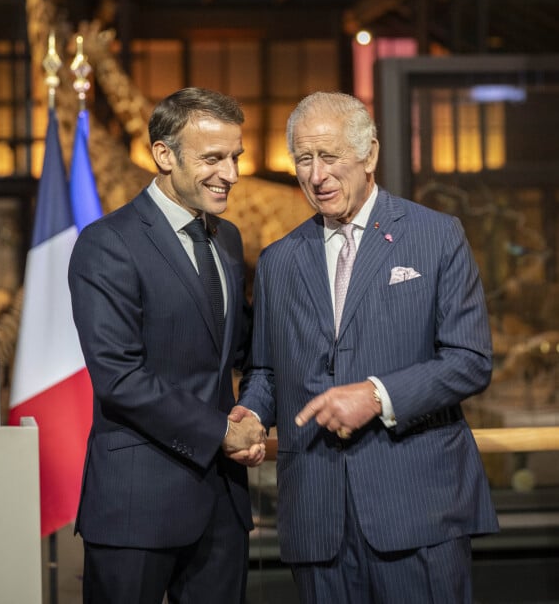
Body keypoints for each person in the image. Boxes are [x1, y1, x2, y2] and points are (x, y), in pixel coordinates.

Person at [236, 91, 499, 604]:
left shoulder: (436, 236)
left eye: (329, 156)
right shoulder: (277, 261)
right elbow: (266, 370)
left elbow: (470, 361)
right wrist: (250, 410)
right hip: (316, 517)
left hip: (418, 510)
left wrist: (377, 396)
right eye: (304, 159)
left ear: (370, 154)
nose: (316, 175)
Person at [68, 87, 266, 604]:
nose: (232, 174)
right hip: (137, 506)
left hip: (222, 505)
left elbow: (239, 348)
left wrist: (255, 410)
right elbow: (119, 377)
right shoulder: (107, 243)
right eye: (213, 158)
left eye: (235, 157)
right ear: (164, 155)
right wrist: (219, 430)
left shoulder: (227, 239)